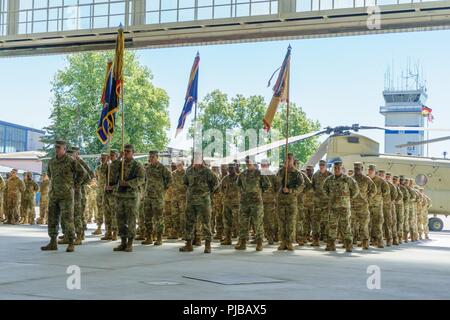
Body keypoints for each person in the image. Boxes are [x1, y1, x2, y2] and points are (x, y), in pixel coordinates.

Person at [41, 140, 86, 252]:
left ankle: (71, 242)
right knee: (52, 219)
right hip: (54, 194)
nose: (56, 149)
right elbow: (50, 175)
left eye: (59, 147)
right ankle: (52, 242)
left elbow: (82, 173)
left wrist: (75, 185)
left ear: (64, 149)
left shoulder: (70, 160)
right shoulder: (52, 161)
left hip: (66, 195)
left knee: (68, 219)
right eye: (55, 147)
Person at [179, 153, 219, 253]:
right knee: (189, 222)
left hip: (203, 201)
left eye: (198, 159)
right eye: (194, 159)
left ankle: (207, 245)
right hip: (191, 201)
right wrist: (189, 192)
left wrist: (208, 192)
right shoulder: (189, 171)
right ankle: (188, 244)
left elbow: (216, 183)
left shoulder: (207, 171)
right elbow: (185, 183)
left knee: (206, 222)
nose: (196, 161)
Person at [111, 144, 145, 253]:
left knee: (131, 220)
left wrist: (128, 183)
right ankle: (123, 242)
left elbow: (141, 179)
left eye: (128, 151)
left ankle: (130, 243)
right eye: (124, 151)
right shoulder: (120, 164)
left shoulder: (137, 165)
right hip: (120, 195)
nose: (126, 153)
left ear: (133, 153)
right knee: (120, 220)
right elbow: (112, 170)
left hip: (131, 196)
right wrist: (119, 158)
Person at [234, 156, 270, 251]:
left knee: (258, 222)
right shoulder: (242, 174)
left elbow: (267, 185)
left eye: (249, 161)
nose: (248, 163)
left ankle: (259, 243)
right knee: (243, 222)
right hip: (244, 202)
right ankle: (242, 242)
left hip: (256, 202)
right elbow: (238, 185)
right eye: (246, 161)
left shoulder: (259, 173)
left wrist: (259, 192)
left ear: (253, 162)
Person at [323, 161, 359, 252]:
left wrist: (348, 198)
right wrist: (330, 197)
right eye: (335, 168)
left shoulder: (347, 179)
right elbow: (324, 189)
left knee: (346, 226)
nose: (337, 170)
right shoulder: (329, 179)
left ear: (342, 168)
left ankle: (348, 245)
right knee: (332, 226)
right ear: (333, 169)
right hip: (333, 207)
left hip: (344, 207)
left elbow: (355, 190)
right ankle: (331, 245)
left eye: (339, 168)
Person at [142, 151, 172, 246]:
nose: (151, 158)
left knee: (158, 218)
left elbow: (170, 179)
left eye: (153, 157)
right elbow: (144, 180)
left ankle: (159, 237)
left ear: (157, 157)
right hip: (148, 196)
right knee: (147, 217)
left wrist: (163, 189)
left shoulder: (162, 168)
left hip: (157, 197)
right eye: (150, 156)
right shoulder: (147, 168)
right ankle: (149, 237)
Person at [276, 154, 304, 251]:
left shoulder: (297, 173)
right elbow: (276, 182)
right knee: (281, 222)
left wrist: (291, 191)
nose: (288, 162)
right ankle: (282, 242)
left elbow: (301, 186)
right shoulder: (281, 171)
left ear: (293, 160)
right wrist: (283, 170)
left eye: (289, 160)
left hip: (291, 201)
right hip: (281, 200)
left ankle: (289, 242)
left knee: (291, 222)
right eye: (286, 160)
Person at [351, 162, 376, 249]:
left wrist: (367, 198)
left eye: (358, 168)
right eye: (355, 168)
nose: (357, 170)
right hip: (352, 206)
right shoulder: (350, 179)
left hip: (363, 206)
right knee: (350, 225)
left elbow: (373, 190)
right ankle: (349, 242)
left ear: (362, 169)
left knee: (364, 225)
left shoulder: (366, 179)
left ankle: (365, 242)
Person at [367, 164, 389, 248]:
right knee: (367, 224)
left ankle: (379, 241)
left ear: (375, 171)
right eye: (369, 170)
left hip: (377, 205)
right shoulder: (366, 179)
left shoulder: (380, 181)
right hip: (368, 205)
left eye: (371, 170)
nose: (370, 171)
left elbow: (386, 191)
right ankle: (369, 241)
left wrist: (379, 197)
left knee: (378, 224)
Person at [311, 160, 332, 245]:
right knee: (316, 220)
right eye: (320, 165)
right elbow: (312, 186)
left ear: (326, 166)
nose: (321, 166)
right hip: (317, 202)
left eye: (323, 165)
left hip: (327, 202)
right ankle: (315, 239)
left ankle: (326, 237)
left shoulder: (330, 175)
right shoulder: (315, 175)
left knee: (326, 220)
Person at [220, 163, 240, 246]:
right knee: (226, 221)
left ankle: (240, 239)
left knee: (238, 222)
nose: (231, 170)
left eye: (232, 168)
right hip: (227, 202)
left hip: (236, 203)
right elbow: (221, 189)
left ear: (235, 169)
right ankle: (228, 238)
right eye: (229, 168)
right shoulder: (225, 178)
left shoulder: (239, 178)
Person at [261, 159, 278, 245]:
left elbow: (277, 187)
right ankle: (260, 237)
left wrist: (273, 196)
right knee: (260, 220)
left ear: (268, 165)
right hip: (259, 201)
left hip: (270, 201)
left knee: (270, 219)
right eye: (262, 165)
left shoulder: (272, 175)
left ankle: (271, 236)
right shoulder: (258, 174)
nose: (263, 166)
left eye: (265, 165)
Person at [171, 160, 187, 239]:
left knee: (183, 215)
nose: (178, 166)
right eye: (177, 165)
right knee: (174, 215)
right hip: (174, 197)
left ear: (183, 165)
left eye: (180, 165)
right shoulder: (173, 174)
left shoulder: (186, 173)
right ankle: (175, 233)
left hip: (183, 198)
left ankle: (184, 233)